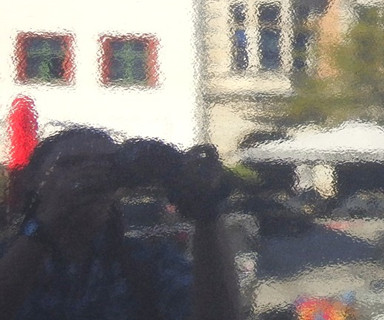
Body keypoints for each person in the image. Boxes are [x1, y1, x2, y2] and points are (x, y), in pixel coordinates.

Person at [0, 126, 240, 320]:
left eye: (107, 166)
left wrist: (206, 213)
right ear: (33, 180)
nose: (91, 175)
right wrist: (48, 221)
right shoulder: (7, 255)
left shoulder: (147, 263)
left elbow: (218, 314)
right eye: (71, 164)